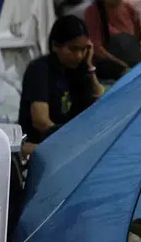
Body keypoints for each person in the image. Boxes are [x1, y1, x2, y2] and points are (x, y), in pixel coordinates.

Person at [18, 16, 104, 146]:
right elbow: (41, 122)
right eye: (73, 49)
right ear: (55, 46)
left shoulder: (79, 71)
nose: (79, 55)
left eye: (83, 49)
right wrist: (71, 140)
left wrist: (90, 67)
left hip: (70, 142)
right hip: (42, 144)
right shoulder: (39, 69)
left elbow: (101, 104)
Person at [83, 0, 141, 80]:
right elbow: (96, 48)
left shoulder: (129, 9)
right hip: (110, 68)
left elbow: (138, 40)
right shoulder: (93, 12)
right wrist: (122, 66)